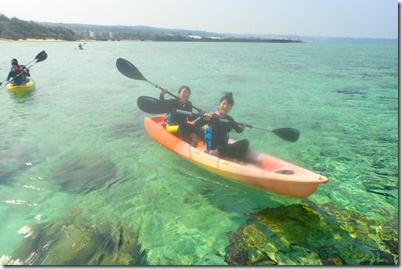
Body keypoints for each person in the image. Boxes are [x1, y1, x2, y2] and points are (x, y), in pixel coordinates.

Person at [194, 92, 250, 161]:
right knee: (223, 148)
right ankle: (237, 158)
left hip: (225, 147)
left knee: (245, 142)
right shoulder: (212, 116)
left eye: (229, 105)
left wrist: (242, 127)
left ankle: (235, 157)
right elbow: (196, 126)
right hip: (214, 149)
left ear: (231, 107)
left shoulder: (229, 119)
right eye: (224, 103)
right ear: (220, 103)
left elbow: (238, 130)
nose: (226, 106)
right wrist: (204, 119)